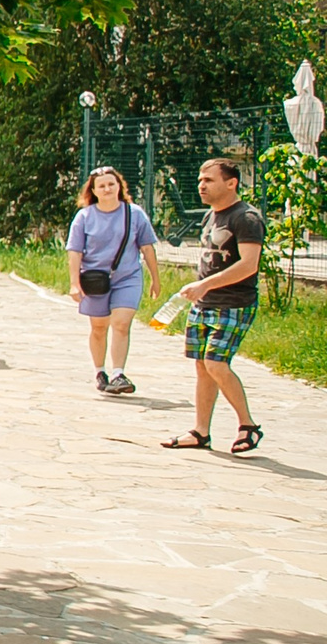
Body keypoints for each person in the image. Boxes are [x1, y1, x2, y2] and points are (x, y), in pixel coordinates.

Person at [164, 157, 265, 455]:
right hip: (204, 303)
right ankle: (200, 431)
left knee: (216, 363)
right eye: (200, 180)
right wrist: (198, 286)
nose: (201, 185)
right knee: (202, 367)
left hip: (233, 304)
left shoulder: (246, 218)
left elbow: (249, 265)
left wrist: (206, 284)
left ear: (231, 183)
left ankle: (248, 426)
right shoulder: (211, 215)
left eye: (208, 180)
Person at [65, 166, 158, 395]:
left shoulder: (134, 214)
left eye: (111, 184)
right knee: (98, 327)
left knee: (121, 323)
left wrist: (156, 279)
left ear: (119, 186)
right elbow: (74, 251)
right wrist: (74, 283)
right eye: (102, 186)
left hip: (128, 277)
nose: (107, 189)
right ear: (94, 191)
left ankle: (118, 373)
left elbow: (147, 247)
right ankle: (100, 371)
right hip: (95, 279)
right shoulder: (85, 217)